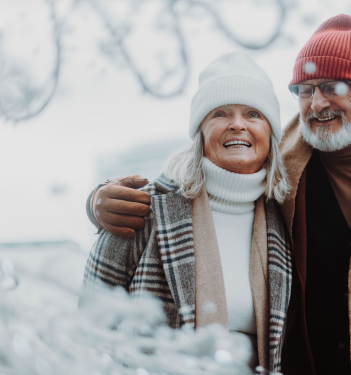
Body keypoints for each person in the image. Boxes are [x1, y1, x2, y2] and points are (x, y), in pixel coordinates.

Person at [86, 15, 351, 374]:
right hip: (302, 361)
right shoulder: (282, 166)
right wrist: (97, 202)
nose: (317, 103)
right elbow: (199, 178)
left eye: (331, 87)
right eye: (305, 90)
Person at [82, 52, 292, 373]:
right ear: (201, 132)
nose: (237, 124)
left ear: (271, 134)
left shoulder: (285, 218)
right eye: (220, 113)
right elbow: (90, 319)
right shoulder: (147, 207)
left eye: (253, 114)